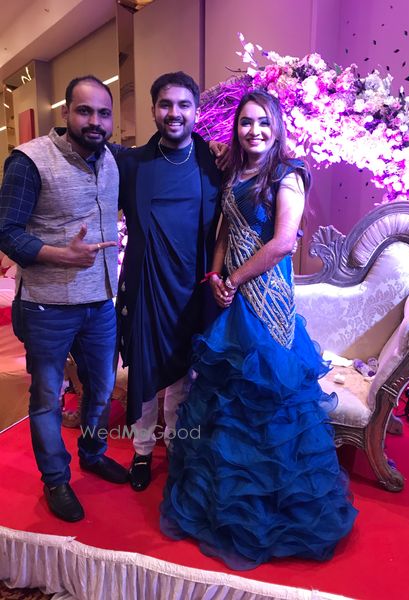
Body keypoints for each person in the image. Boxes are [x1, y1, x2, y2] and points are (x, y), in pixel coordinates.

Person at [160, 90, 357, 569]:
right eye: (246, 122)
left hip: (266, 304)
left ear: (277, 127)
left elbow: (283, 242)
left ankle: (277, 514)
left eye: (264, 123)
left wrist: (233, 279)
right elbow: (226, 232)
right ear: (237, 128)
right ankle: (226, 505)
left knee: (269, 402)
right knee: (227, 403)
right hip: (230, 304)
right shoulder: (234, 172)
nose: (255, 131)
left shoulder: (287, 174)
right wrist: (214, 275)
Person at [0, 75, 128, 523]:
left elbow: (159, 155)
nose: (95, 121)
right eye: (84, 111)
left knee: (102, 388)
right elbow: (6, 232)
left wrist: (215, 149)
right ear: (66, 113)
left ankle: (93, 453)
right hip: (46, 305)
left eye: (104, 113)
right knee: (47, 397)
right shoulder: (30, 160)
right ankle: (55, 478)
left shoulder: (112, 157)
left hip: (100, 302)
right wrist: (60, 255)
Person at [116, 72, 222, 491]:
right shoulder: (132, 165)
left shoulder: (213, 161)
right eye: (165, 104)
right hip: (146, 286)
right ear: (153, 109)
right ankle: (142, 452)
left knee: (183, 378)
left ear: (196, 111)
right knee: (143, 374)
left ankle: (177, 447)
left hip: (193, 288)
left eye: (183, 105)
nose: (174, 113)